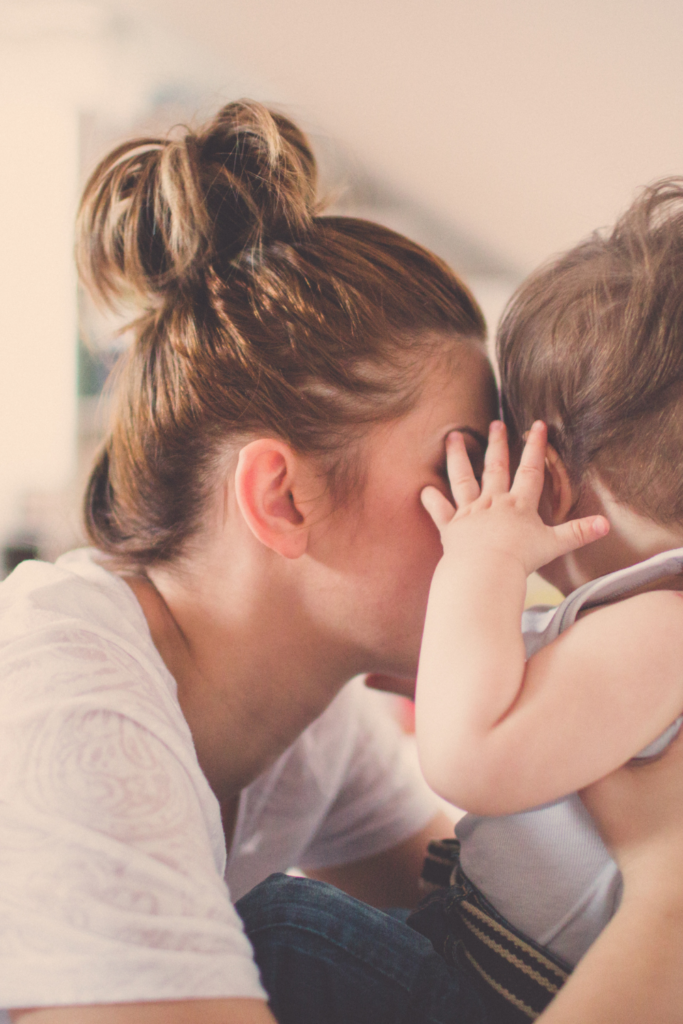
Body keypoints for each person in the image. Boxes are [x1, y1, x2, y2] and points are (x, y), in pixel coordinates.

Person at [410, 180, 683, 1020]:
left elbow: (466, 759)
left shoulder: (662, 625)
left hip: (506, 990)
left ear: (547, 484)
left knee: (284, 926)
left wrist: (476, 564)